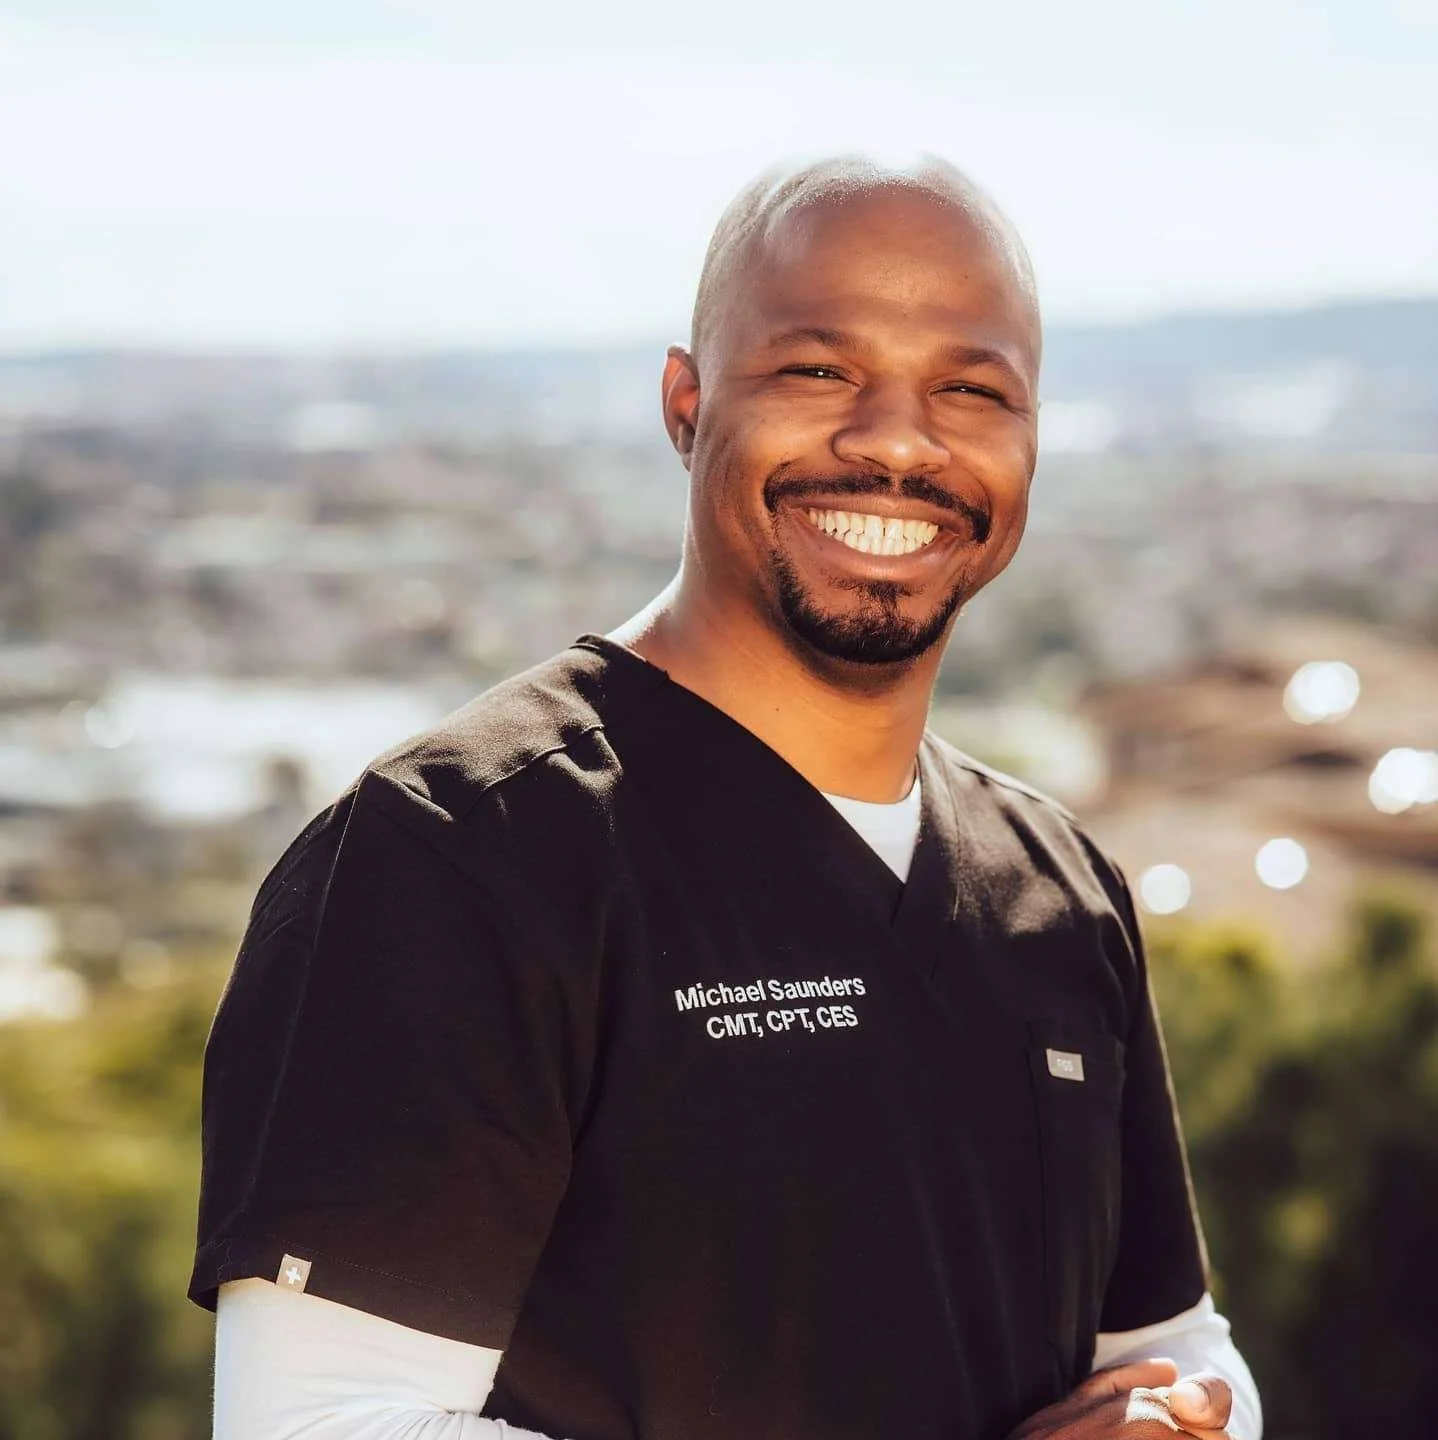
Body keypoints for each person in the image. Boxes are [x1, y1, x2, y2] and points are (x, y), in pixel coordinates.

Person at [191, 155, 1262, 1440]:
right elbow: (322, 1422)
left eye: (971, 389)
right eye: (818, 371)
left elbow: (1175, 1347)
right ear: (686, 405)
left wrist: (1188, 1420)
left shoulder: (1059, 887)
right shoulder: (461, 854)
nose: (897, 440)